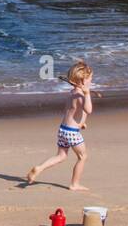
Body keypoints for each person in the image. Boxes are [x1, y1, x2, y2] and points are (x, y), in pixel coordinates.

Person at [26, 62, 95, 190]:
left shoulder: (72, 92)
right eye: (90, 78)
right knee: (82, 156)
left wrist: (81, 123)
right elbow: (88, 109)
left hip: (63, 129)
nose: (92, 80)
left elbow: (72, 111)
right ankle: (75, 184)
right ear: (83, 80)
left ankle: (39, 168)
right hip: (72, 133)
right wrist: (87, 94)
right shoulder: (81, 95)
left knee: (61, 156)